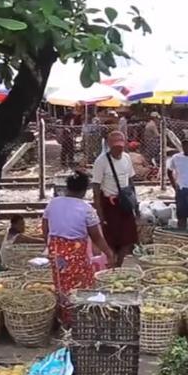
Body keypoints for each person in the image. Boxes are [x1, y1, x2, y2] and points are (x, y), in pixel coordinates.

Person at [43, 171, 115, 321]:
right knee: (80, 283)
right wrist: (108, 253)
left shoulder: (53, 203)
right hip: (75, 253)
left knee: (60, 282)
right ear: (84, 190)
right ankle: (78, 317)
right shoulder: (86, 209)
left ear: (67, 187)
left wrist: (49, 244)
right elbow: (96, 236)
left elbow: (45, 226)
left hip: (56, 250)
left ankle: (64, 317)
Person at [92, 131, 138, 267]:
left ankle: (119, 264)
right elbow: (96, 188)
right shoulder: (101, 162)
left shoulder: (127, 158)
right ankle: (110, 263)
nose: (118, 149)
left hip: (125, 202)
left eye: (120, 146)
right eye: (115, 147)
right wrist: (99, 212)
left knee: (127, 238)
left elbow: (130, 181)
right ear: (109, 146)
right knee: (110, 238)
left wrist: (135, 203)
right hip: (109, 204)